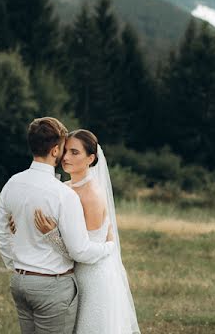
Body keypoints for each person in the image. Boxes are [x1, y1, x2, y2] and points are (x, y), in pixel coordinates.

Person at [0, 117, 116, 334]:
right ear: (56, 150)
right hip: (51, 286)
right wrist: (109, 247)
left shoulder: (12, 183)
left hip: (20, 282)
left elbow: (0, 233)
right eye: (65, 150)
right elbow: (79, 250)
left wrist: (17, 266)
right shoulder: (63, 194)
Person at [12, 129, 141, 334]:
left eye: (75, 152)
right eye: (65, 151)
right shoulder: (65, 187)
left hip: (92, 276)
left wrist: (52, 235)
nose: (66, 157)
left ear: (90, 158)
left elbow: (81, 253)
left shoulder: (91, 195)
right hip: (74, 276)